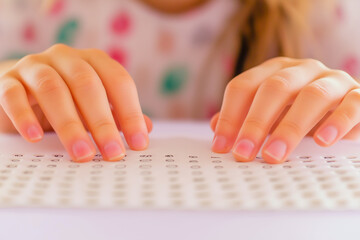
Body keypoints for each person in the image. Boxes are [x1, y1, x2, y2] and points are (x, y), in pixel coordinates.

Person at [0, 0, 359, 164]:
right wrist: (11, 88)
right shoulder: (33, 10)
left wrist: (346, 104)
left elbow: (351, 99)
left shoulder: (323, 15)